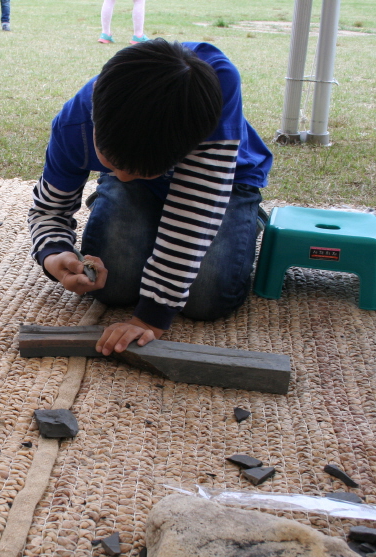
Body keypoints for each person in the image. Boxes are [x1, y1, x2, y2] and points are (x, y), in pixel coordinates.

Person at [27, 39, 272, 356]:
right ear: (95, 125)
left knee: (207, 299)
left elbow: (194, 215)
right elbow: (48, 212)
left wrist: (149, 318)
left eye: (141, 171)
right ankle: (147, 209)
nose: (124, 176)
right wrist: (55, 256)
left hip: (224, 183)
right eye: (113, 166)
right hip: (146, 184)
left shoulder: (218, 83)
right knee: (112, 288)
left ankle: (242, 218)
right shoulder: (73, 126)